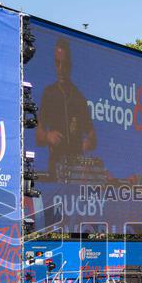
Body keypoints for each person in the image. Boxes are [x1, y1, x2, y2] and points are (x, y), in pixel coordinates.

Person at [36, 37, 97, 180]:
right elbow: (38, 136)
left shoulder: (79, 98)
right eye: (57, 64)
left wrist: (86, 144)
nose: (61, 69)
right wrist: (48, 136)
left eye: (65, 64)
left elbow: (92, 136)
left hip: (76, 169)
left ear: (70, 65)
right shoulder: (49, 93)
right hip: (56, 167)